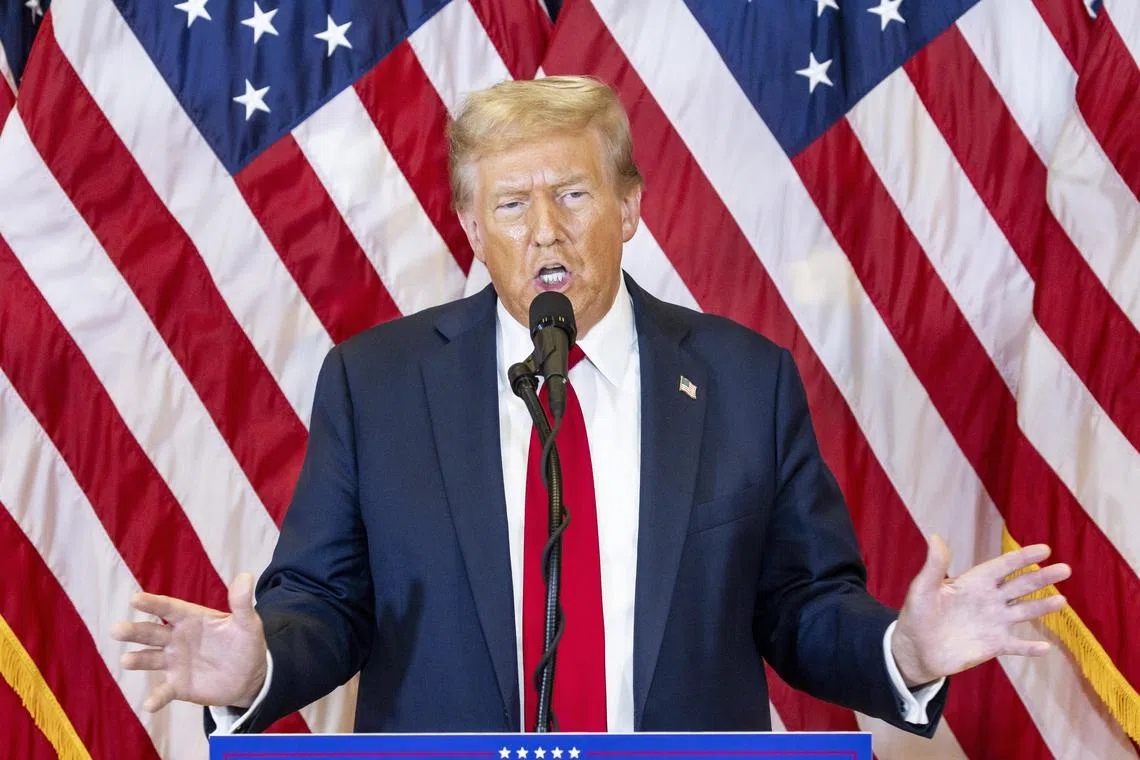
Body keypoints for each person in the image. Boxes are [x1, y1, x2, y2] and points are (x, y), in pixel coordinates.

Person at [111, 76, 1070, 737]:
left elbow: (801, 606)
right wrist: (257, 670)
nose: (546, 231)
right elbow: (324, 603)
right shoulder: (378, 383)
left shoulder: (745, 380)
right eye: (511, 205)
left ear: (630, 208)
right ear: (471, 226)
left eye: (573, 194)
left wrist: (905, 648)